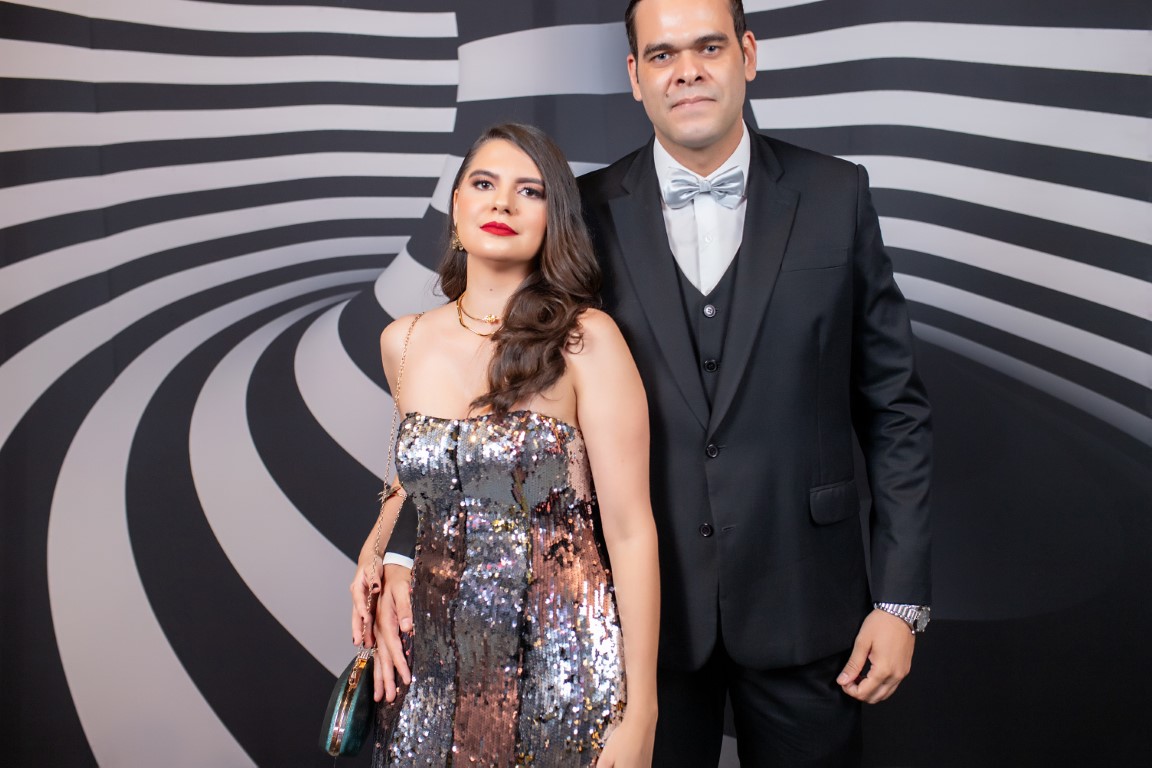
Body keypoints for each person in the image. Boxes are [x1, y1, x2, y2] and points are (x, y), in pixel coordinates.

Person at [379, 0, 932, 764]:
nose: (687, 72)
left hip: (808, 602)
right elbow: (475, 407)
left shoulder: (837, 194)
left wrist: (900, 599)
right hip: (634, 623)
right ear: (635, 76)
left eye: (709, 47)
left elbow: (895, 408)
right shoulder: (579, 213)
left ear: (748, 54)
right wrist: (399, 551)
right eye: (663, 55)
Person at [348, 123, 659, 767]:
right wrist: (377, 555)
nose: (502, 203)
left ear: (554, 218)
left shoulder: (586, 340)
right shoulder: (402, 341)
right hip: (428, 663)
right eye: (484, 183)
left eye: (530, 191)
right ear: (456, 203)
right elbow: (411, 486)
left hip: (562, 663)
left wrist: (641, 712)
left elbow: (631, 531)